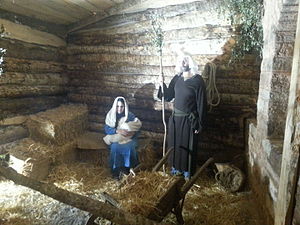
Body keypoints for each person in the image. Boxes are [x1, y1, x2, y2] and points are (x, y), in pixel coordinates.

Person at [158, 53, 207, 179]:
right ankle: (176, 170)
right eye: (181, 61)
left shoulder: (197, 80)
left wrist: (200, 124)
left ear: (190, 62)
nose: (183, 63)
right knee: (176, 145)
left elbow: (202, 103)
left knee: (187, 146)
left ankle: (187, 172)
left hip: (189, 120)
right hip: (175, 120)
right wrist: (161, 84)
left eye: (185, 60)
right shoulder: (177, 78)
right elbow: (168, 96)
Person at [104, 96, 142, 179]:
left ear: (125, 107)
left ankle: (128, 170)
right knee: (115, 147)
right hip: (116, 137)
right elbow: (107, 128)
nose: (119, 109)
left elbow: (137, 127)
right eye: (117, 106)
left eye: (121, 106)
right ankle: (116, 172)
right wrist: (117, 131)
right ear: (115, 106)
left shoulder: (130, 115)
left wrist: (132, 133)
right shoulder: (111, 115)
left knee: (129, 147)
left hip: (129, 138)